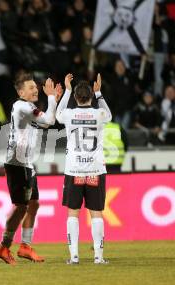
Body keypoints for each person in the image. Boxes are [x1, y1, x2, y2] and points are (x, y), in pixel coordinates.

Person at [0, 72, 62, 265]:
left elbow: (47, 122)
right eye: (32, 88)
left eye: (36, 87)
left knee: (33, 204)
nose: (36, 90)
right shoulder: (22, 106)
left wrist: (53, 101)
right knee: (21, 207)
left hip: (27, 163)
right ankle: (4, 246)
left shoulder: (28, 108)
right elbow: (49, 121)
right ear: (21, 92)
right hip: (17, 163)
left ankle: (25, 246)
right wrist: (51, 98)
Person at [56, 73, 112, 264]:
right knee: (96, 213)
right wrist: (99, 94)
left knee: (73, 212)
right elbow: (109, 115)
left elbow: (57, 113)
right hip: (95, 170)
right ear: (90, 96)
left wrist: (67, 91)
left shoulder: (69, 114)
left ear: (75, 98)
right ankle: (98, 256)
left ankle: (74, 256)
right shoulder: (99, 114)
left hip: (74, 171)